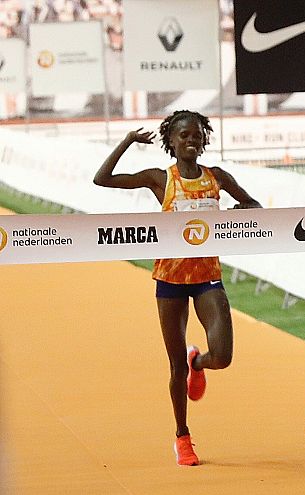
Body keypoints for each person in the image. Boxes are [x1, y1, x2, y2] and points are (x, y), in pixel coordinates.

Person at [93, 110, 261, 466]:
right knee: (174, 368)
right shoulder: (160, 179)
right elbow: (102, 179)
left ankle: (198, 361)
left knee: (224, 356)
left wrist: (232, 214)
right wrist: (126, 142)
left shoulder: (217, 177)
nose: (191, 140)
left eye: (197, 135)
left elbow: (252, 205)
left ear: (204, 140)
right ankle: (183, 437)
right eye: (183, 135)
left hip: (206, 276)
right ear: (171, 142)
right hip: (170, 278)